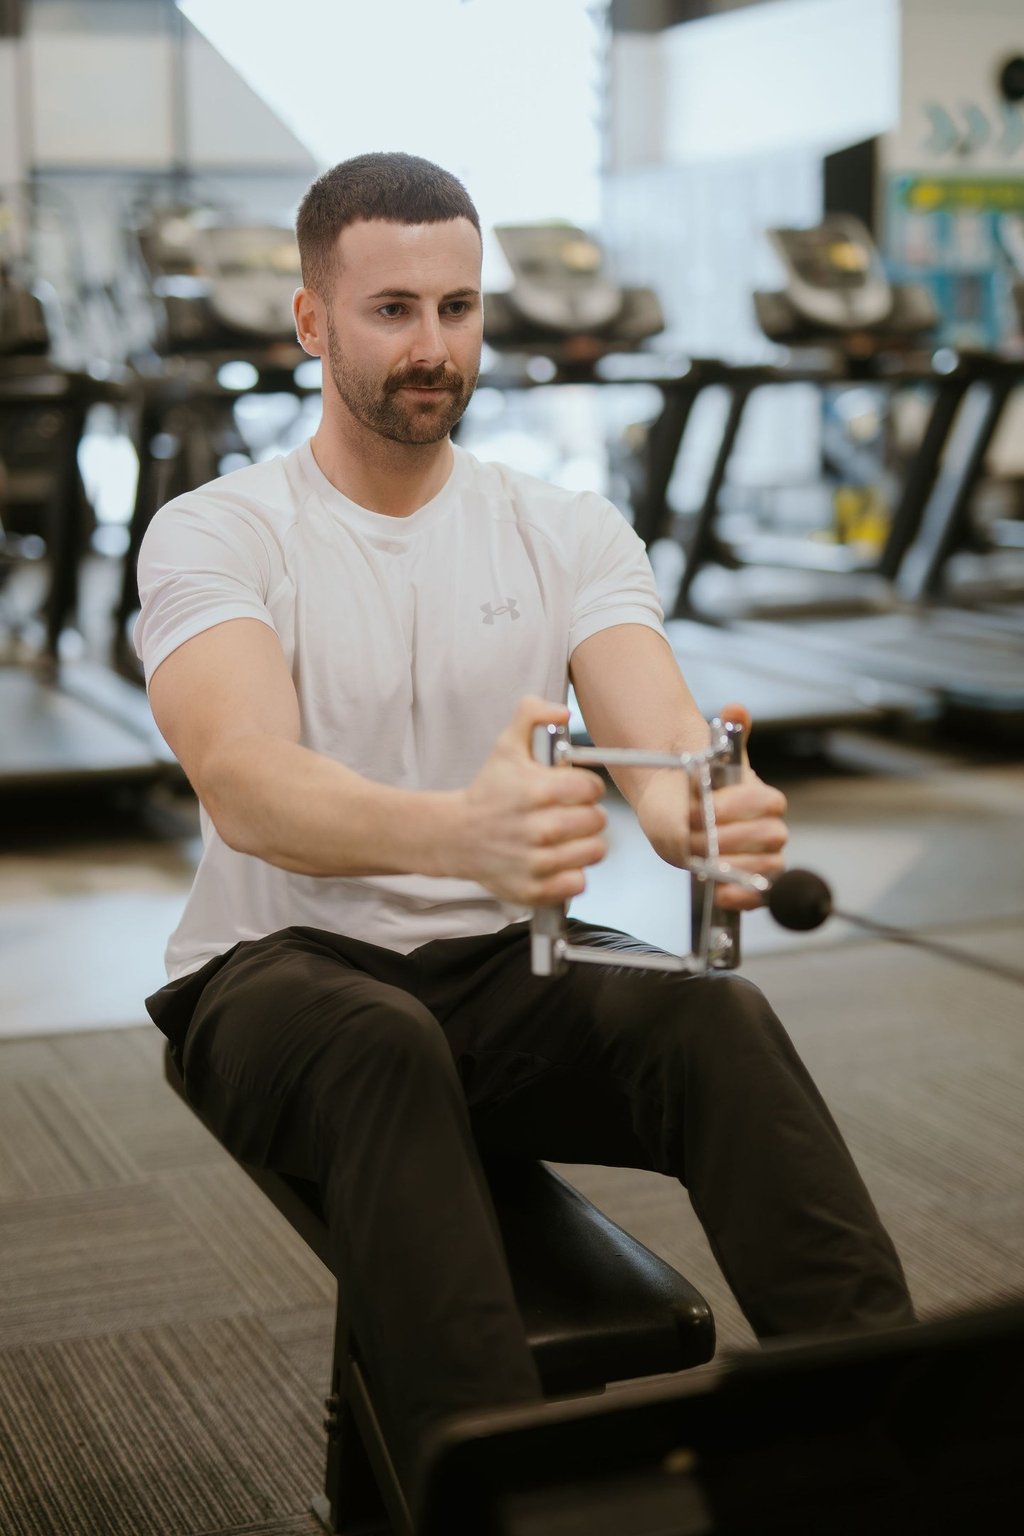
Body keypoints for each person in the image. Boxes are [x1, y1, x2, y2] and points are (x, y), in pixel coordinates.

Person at [135, 152, 914, 1506]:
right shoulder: (220, 532)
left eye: (457, 307)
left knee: (707, 1017)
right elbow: (247, 782)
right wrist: (462, 835)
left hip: (501, 971)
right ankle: (503, 1502)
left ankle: (898, 1454)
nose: (433, 346)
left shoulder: (562, 529)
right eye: (391, 311)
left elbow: (661, 746)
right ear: (313, 321)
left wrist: (703, 818)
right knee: (382, 1046)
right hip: (271, 977)